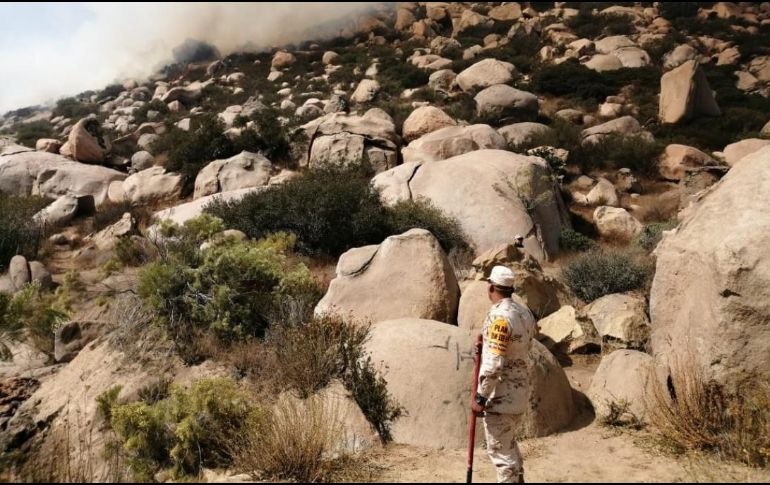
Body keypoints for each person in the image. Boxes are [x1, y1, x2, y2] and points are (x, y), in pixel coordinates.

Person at [471, 265, 537, 483]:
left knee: (502, 455)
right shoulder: (523, 312)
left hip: (501, 396)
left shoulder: (500, 317)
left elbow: (493, 365)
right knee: (509, 447)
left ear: (491, 287)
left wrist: (480, 397)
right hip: (520, 390)